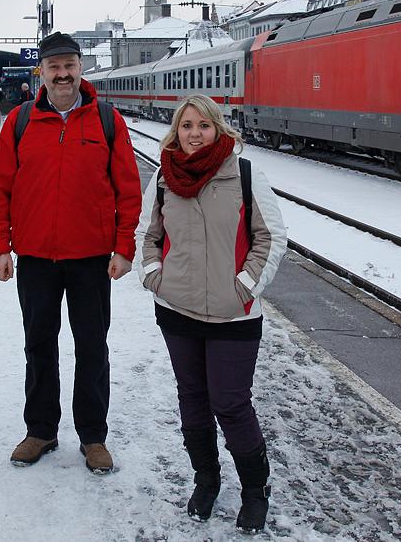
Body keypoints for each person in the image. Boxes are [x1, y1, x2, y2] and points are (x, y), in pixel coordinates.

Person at [0, 31, 143, 474]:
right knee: (39, 346)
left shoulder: (107, 121)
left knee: (92, 347)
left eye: (69, 65)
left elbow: (129, 192)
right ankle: (41, 430)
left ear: (80, 68)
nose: (63, 74)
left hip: (92, 256)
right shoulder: (19, 122)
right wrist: (0, 247)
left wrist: (124, 247)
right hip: (35, 256)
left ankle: (93, 437)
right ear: (43, 72)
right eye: (54, 66)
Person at [135, 94, 287, 533]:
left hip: (233, 315)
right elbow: (148, 232)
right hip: (177, 308)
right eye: (186, 126)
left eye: (203, 125)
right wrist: (154, 277)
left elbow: (271, 236)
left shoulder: (243, 172)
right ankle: (206, 480)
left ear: (218, 128)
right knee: (193, 400)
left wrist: (245, 287)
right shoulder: (165, 175)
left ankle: (255, 491)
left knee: (232, 404)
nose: (194, 134)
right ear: (176, 131)